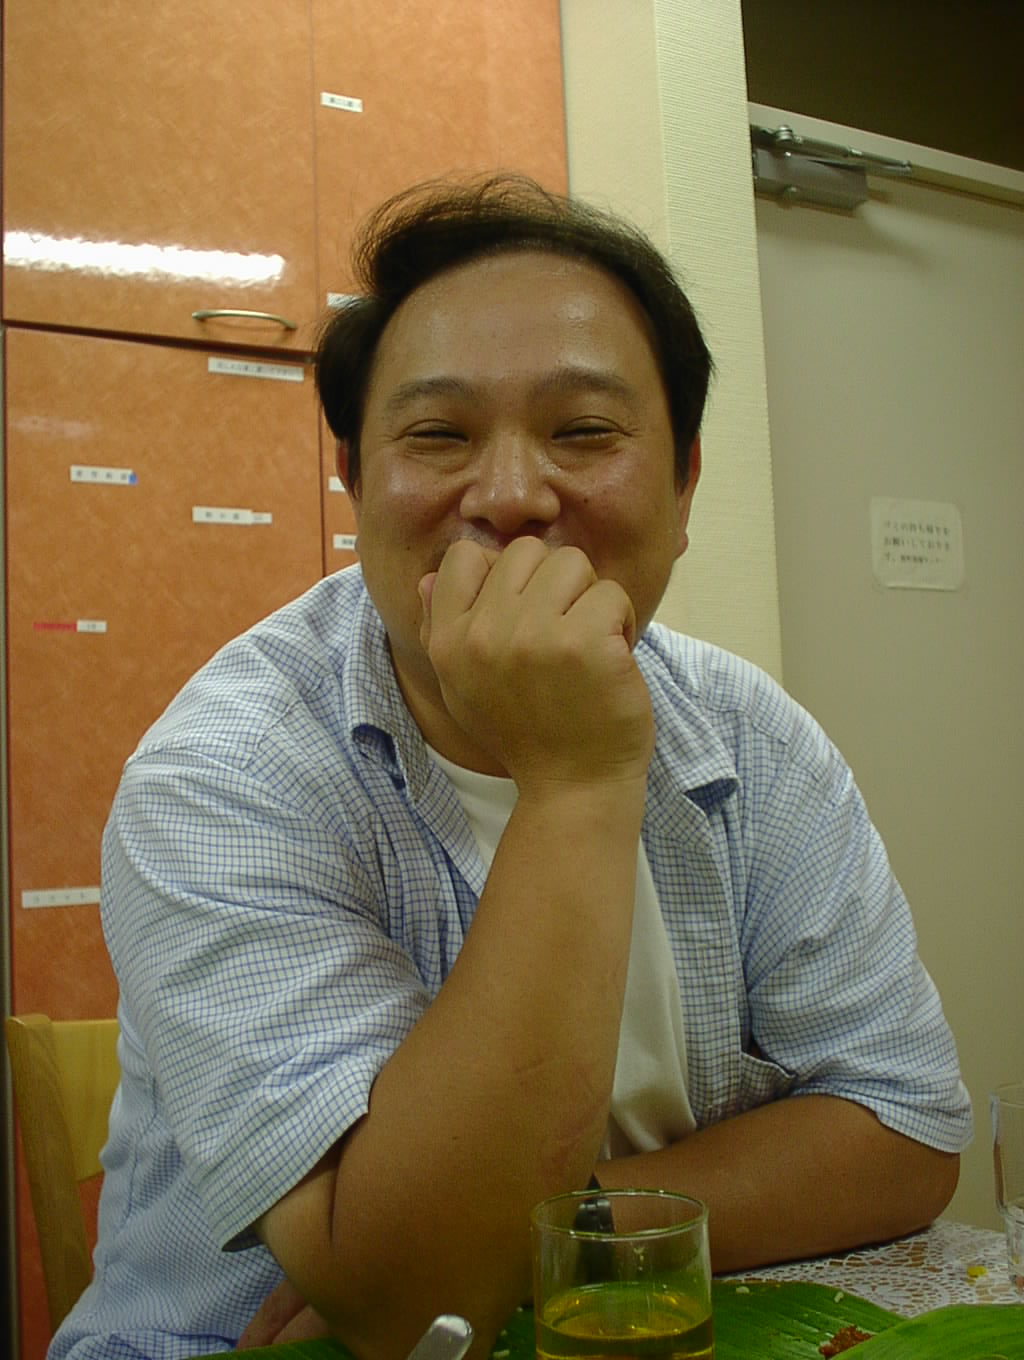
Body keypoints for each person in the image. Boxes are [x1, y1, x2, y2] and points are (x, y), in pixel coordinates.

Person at [50, 175, 971, 1360]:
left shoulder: (755, 741)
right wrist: (578, 781)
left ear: (684, 482)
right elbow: (418, 1308)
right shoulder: (224, 776)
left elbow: (905, 1124)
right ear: (355, 480)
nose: (511, 496)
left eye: (582, 431)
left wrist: (563, 1223)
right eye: (438, 435)